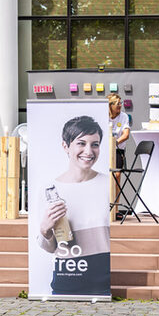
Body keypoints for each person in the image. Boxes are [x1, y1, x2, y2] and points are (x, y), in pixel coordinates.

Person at [37, 115, 110, 297]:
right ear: (65, 146)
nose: (89, 150)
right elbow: (51, 248)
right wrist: (45, 231)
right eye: (81, 143)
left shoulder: (109, 185)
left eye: (95, 144)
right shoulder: (50, 190)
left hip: (105, 283)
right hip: (67, 281)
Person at [107, 93, 130, 168]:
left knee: (117, 173)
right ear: (111, 105)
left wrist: (115, 143)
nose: (120, 105)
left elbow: (126, 135)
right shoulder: (104, 115)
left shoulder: (124, 116)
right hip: (105, 149)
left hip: (118, 149)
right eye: (118, 103)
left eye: (121, 103)